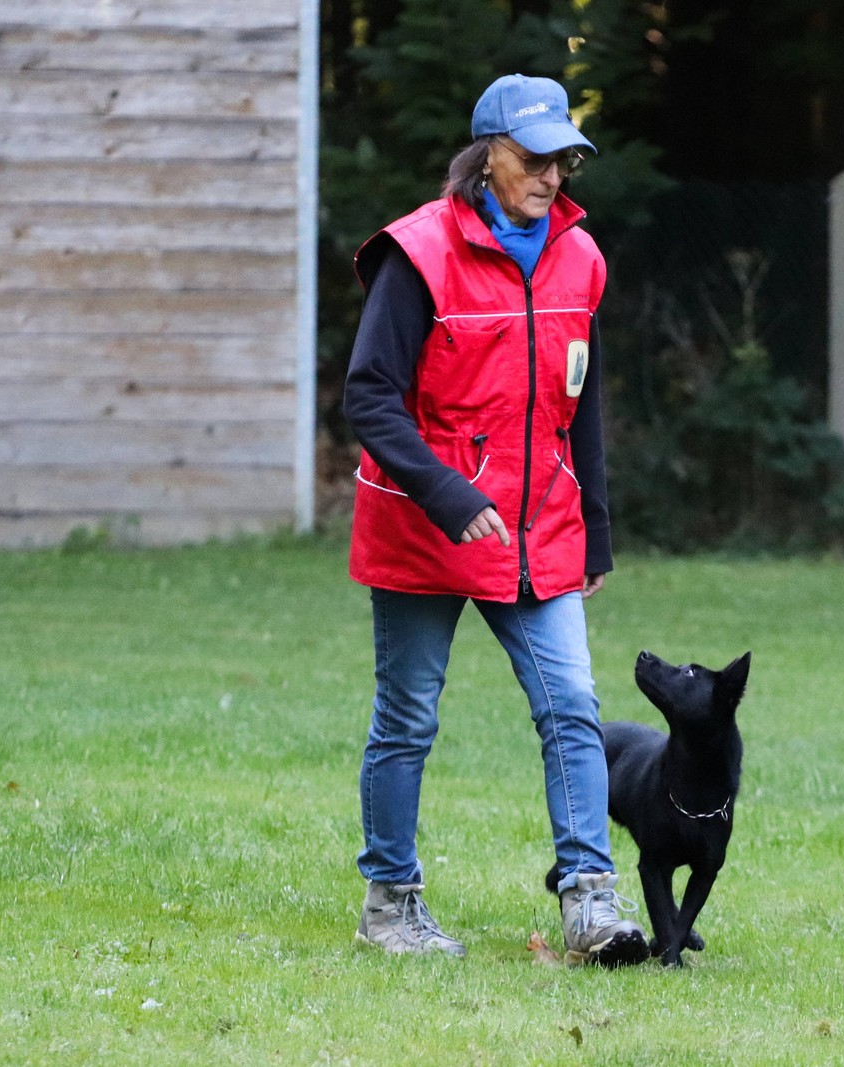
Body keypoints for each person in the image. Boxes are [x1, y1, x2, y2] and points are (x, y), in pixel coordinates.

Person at [341, 73, 647, 967]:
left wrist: (594, 528)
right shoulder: (418, 254)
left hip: (539, 524)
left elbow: (580, 405)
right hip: (425, 523)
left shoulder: (579, 258)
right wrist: (448, 494)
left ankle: (591, 902)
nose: (552, 176)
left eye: (564, 161)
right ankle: (391, 904)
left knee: (573, 708)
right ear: (485, 159)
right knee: (407, 718)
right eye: (534, 159)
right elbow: (369, 396)